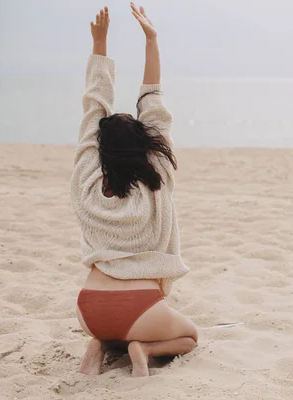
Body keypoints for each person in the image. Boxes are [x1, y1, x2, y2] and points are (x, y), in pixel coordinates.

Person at [71, 3, 198, 377]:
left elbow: (94, 105)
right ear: (147, 146)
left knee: (110, 329)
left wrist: (100, 41)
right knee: (190, 336)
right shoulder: (156, 176)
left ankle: (101, 342)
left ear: (99, 149)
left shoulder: (87, 181)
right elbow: (153, 102)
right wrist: (152, 40)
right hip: (141, 306)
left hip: (89, 309)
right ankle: (141, 347)